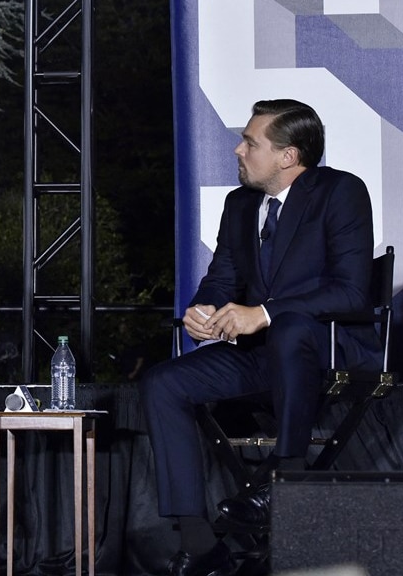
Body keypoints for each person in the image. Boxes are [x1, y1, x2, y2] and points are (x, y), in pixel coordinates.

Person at [139, 99, 380, 576]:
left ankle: (286, 474)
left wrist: (265, 313)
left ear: (288, 156)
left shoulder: (340, 192)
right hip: (263, 355)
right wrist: (202, 309)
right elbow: (221, 279)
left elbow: (352, 292)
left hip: (329, 348)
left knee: (290, 328)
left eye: (250, 142)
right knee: (162, 383)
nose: (237, 149)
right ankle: (201, 542)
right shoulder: (241, 204)